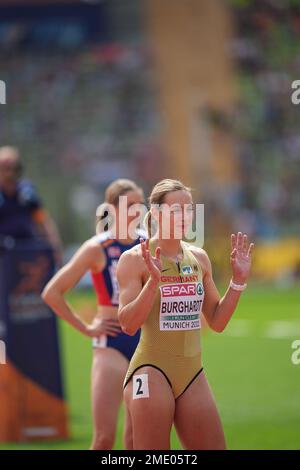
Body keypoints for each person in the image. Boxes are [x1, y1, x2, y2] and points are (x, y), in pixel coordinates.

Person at [117, 178, 254, 450]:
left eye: (189, 209)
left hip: (192, 373)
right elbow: (128, 324)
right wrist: (153, 283)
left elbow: (217, 321)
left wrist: (238, 281)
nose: (185, 216)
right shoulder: (135, 259)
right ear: (156, 213)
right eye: (176, 210)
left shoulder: (199, 258)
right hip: (151, 370)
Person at [42, 179, 146, 450]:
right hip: (111, 345)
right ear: (112, 209)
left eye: (140, 204)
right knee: (103, 439)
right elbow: (52, 292)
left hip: (146, 345)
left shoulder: (150, 244)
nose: (138, 210)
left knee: (137, 439)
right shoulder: (96, 247)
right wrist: (86, 327)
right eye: (130, 205)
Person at [0, 145, 62, 264]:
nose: (9, 173)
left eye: (13, 167)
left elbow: (42, 220)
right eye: (4, 168)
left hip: (28, 252)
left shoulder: (27, 193)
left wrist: (55, 246)